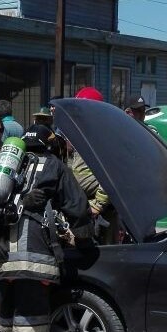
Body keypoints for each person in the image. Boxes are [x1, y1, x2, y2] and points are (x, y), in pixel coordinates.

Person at [0, 124, 93, 332]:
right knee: (30, 330)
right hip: (35, 264)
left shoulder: (9, 170)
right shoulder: (55, 166)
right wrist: (86, 244)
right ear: (51, 144)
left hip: (2, 259)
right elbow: (77, 208)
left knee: (6, 326)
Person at [69, 87, 119, 244]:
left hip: (101, 210)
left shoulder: (104, 136)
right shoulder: (80, 134)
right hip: (82, 205)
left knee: (106, 253)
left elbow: (112, 173)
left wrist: (98, 205)